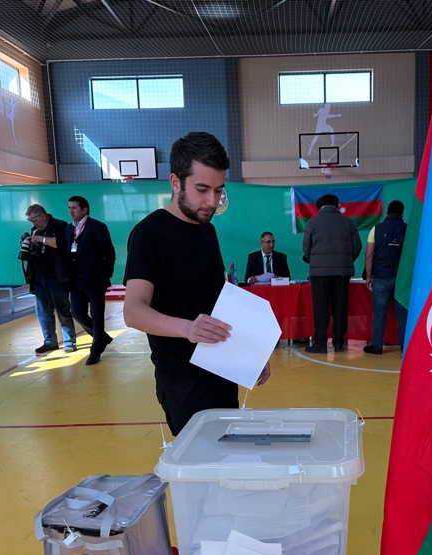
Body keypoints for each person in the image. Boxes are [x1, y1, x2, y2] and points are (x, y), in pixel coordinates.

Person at [123, 131, 270, 435]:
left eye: (218, 190)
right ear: (175, 182)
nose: (212, 201)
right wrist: (188, 329)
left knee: (227, 456)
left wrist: (250, 351)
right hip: (184, 381)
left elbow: (217, 300)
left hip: (222, 367)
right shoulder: (148, 234)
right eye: (202, 189)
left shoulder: (207, 230)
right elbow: (133, 311)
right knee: (199, 460)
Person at [302, 193, 362, 353]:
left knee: (320, 308)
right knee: (340, 307)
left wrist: (315, 260)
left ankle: (320, 344)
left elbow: (306, 247)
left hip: (319, 273)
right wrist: (346, 260)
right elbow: (357, 246)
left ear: (319, 207)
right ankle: (339, 343)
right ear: (337, 206)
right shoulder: (348, 222)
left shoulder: (312, 222)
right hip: (342, 272)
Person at [66, 196, 115, 366]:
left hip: (95, 280)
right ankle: (101, 338)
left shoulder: (97, 227)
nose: (71, 211)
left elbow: (109, 253)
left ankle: (95, 351)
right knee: (77, 312)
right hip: (76, 280)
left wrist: (105, 275)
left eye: (74, 208)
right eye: (69, 208)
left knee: (97, 315)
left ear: (84, 209)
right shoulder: (68, 229)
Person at [24, 204, 75, 355]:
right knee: (43, 312)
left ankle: (69, 341)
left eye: (34, 220)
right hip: (39, 276)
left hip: (57, 276)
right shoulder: (35, 230)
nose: (34, 223)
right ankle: (49, 342)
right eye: (31, 221)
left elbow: (62, 244)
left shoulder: (60, 226)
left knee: (62, 310)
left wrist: (41, 239)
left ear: (42, 216)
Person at [363, 199, 408, 355]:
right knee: (402, 315)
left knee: (379, 314)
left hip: (381, 277)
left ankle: (377, 346)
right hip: (401, 279)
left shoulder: (376, 229)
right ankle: (405, 347)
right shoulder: (408, 229)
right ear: (402, 214)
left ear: (387, 213)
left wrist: (369, 276)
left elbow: (369, 255)